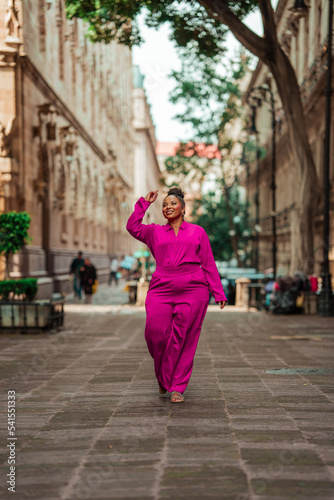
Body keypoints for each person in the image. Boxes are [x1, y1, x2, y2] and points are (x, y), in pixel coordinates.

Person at [126, 187, 227, 403]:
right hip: (161, 286)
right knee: (155, 333)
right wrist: (145, 203)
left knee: (185, 337)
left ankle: (177, 386)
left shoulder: (198, 232)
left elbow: (208, 262)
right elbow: (132, 227)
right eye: (164, 204)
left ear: (182, 208)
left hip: (193, 288)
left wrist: (218, 291)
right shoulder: (154, 232)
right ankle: (164, 376)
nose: (168, 207)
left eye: (172, 203)